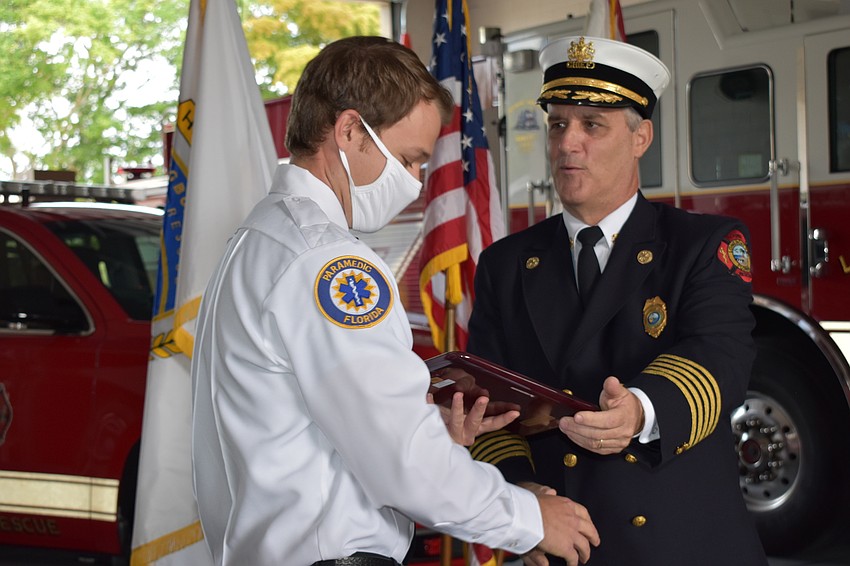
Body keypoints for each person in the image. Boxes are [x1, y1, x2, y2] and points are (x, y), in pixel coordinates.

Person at [190, 36, 599, 566]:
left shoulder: (259, 238)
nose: (415, 182)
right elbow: (401, 461)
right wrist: (530, 518)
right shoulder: (330, 262)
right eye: (408, 160)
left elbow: (313, 426)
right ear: (349, 131)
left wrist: (429, 426)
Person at [466, 36, 769, 566]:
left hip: (680, 545)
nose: (568, 143)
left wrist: (640, 410)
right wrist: (521, 501)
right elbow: (489, 405)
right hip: (561, 544)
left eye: (592, 125)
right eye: (558, 124)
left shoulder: (701, 244)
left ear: (640, 137)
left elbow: (719, 356)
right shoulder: (505, 263)